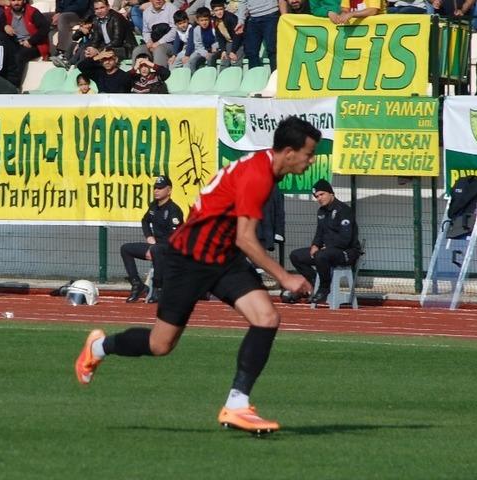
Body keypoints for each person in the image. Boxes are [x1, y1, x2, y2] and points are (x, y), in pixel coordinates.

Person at [75, 117, 322, 435]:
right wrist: (285, 277)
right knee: (160, 344)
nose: (310, 160)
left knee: (267, 318)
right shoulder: (258, 175)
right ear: (289, 152)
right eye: (309, 154)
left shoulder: (265, 167)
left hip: (223, 259)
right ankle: (98, 347)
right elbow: (246, 239)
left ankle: (236, 405)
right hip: (189, 259)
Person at [287, 179, 361, 305]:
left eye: (322, 194)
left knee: (322, 255)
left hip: (347, 252)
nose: (319, 198)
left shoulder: (344, 210)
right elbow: (319, 232)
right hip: (327, 252)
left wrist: (327, 247)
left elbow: (345, 238)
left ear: (331, 193)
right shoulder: (321, 212)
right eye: (316, 196)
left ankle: (324, 288)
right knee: (296, 256)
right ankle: (315, 281)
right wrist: (315, 245)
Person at [120, 175, 183, 303]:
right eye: (155, 188)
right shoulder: (154, 206)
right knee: (125, 249)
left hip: (171, 248)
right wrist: (149, 236)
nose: (156, 191)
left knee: (156, 250)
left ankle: (158, 288)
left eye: (160, 188)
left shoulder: (174, 210)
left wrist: (155, 247)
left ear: (169, 190)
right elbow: (145, 221)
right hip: (156, 246)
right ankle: (137, 284)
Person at [4, 0, 50, 81]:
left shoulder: (33, 12)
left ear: (24, 1)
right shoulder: (7, 12)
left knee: (19, 56)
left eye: (19, 0)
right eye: (13, 0)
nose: (16, 3)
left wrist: (30, 41)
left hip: (35, 45)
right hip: (16, 43)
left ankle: (14, 84)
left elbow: (45, 28)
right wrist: (4, 26)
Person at [235, 0, 281, 70]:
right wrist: (241, 21)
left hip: (271, 14)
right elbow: (242, 2)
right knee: (251, 51)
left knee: (272, 49)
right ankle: (256, 75)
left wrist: (284, 15)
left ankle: (276, 74)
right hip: (253, 17)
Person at [131, 0, 176, 66]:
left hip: (170, 43)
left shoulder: (172, 9)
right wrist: (149, 41)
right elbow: (146, 31)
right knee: (138, 50)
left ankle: (160, 72)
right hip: (153, 43)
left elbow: (175, 30)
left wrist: (159, 43)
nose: (158, 0)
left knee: (159, 49)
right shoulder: (146, 12)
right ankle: (136, 72)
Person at [181, 6, 219, 72]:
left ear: (209, 19)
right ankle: (193, 76)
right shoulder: (196, 30)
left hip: (216, 50)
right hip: (204, 51)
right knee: (192, 60)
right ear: (198, 21)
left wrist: (215, 47)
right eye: (201, 20)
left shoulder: (214, 27)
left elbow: (219, 39)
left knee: (210, 58)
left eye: (206, 20)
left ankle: (211, 74)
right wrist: (205, 53)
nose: (204, 23)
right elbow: (198, 45)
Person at [212, 0, 243, 69]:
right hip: (229, 42)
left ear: (224, 8)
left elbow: (237, 36)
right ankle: (222, 75)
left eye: (221, 9)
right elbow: (220, 37)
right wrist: (223, 50)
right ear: (213, 11)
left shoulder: (231, 18)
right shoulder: (215, 20)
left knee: (235, 61)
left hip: (240, 42)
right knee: (224, 60)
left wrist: (233, 51)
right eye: (216, 10)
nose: (219, 12)